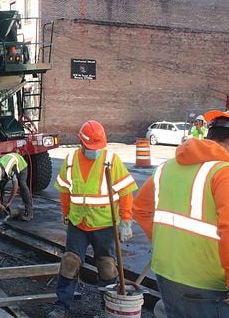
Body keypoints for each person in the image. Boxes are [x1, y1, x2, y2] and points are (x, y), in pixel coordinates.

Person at [132, 109, 229, 318]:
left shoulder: (167, 167)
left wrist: (166, 244)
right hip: (207, 283)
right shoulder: (227, 173)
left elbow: (140, 210)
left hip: (166, 273)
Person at [48, 120, 138, 318]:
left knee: (107, 266)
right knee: (70, 262)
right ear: (81, 142)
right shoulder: (71, 161)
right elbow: (64, 191)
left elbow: (125, 192)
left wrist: (126, 221)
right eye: (91, 147)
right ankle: (61, 306)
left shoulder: (111, 160)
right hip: (78, 222)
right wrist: (65, 216)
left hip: (105, 224)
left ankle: (108, 308)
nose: (95, 151)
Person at [0, 152, 34, 221]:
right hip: (9, 162)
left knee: (22, 185)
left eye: (1, 176)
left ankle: (29, 212)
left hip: (21, 165)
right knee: (0, 185)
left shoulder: (12, 169)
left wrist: (9, 203)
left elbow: (15, 187)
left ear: (2, 172)